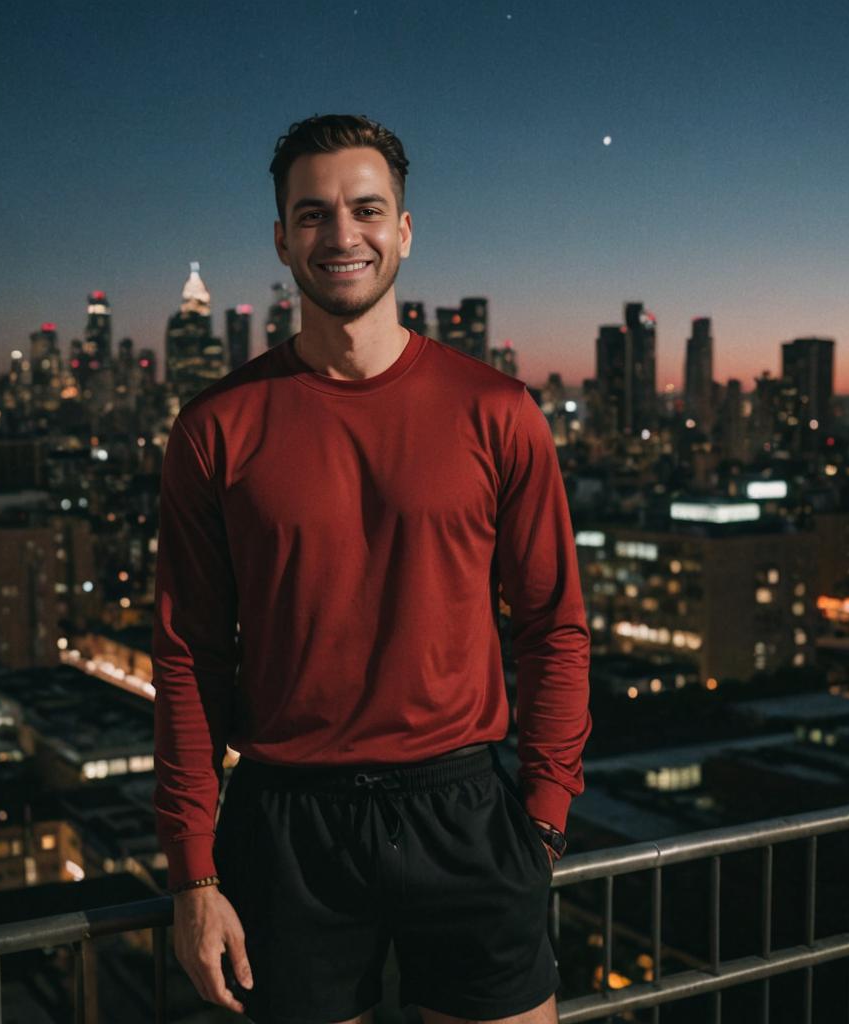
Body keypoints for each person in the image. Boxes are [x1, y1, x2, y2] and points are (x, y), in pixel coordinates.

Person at [152, 113, 591, 1024]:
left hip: (465, 810)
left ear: (403, 231)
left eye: (365, 209)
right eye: (312, 215)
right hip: (287, 826)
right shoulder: (214, 427)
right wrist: (194, 871)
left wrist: (543, 814)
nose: (340, 234)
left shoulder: (499, 412)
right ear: (281, 239)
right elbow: (188, 654)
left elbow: (553, 623)